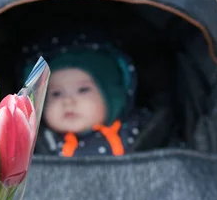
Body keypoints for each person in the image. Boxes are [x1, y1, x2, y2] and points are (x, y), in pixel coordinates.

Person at [20, 27, 152, 157]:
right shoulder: (39, 143)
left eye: (83, 90)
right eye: (56, 94)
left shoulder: (139, 130)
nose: (68, 101)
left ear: (113, 98)